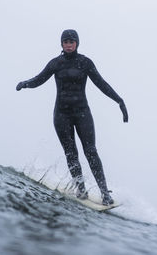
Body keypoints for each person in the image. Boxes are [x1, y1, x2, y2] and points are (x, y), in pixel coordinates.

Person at [16, 29, 128, 205]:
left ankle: (105, 193)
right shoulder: (55, 63)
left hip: (82, 112)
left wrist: (119, 100)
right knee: (71, 154)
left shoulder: (85, 62)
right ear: (61, 44)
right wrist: (25, 84)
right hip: (61, 114)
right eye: (65, 42)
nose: (68, 44)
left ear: (77, 43)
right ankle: (80, 189)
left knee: (91, 151)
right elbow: (39, 79)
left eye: (71, 41)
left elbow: (101, 83)